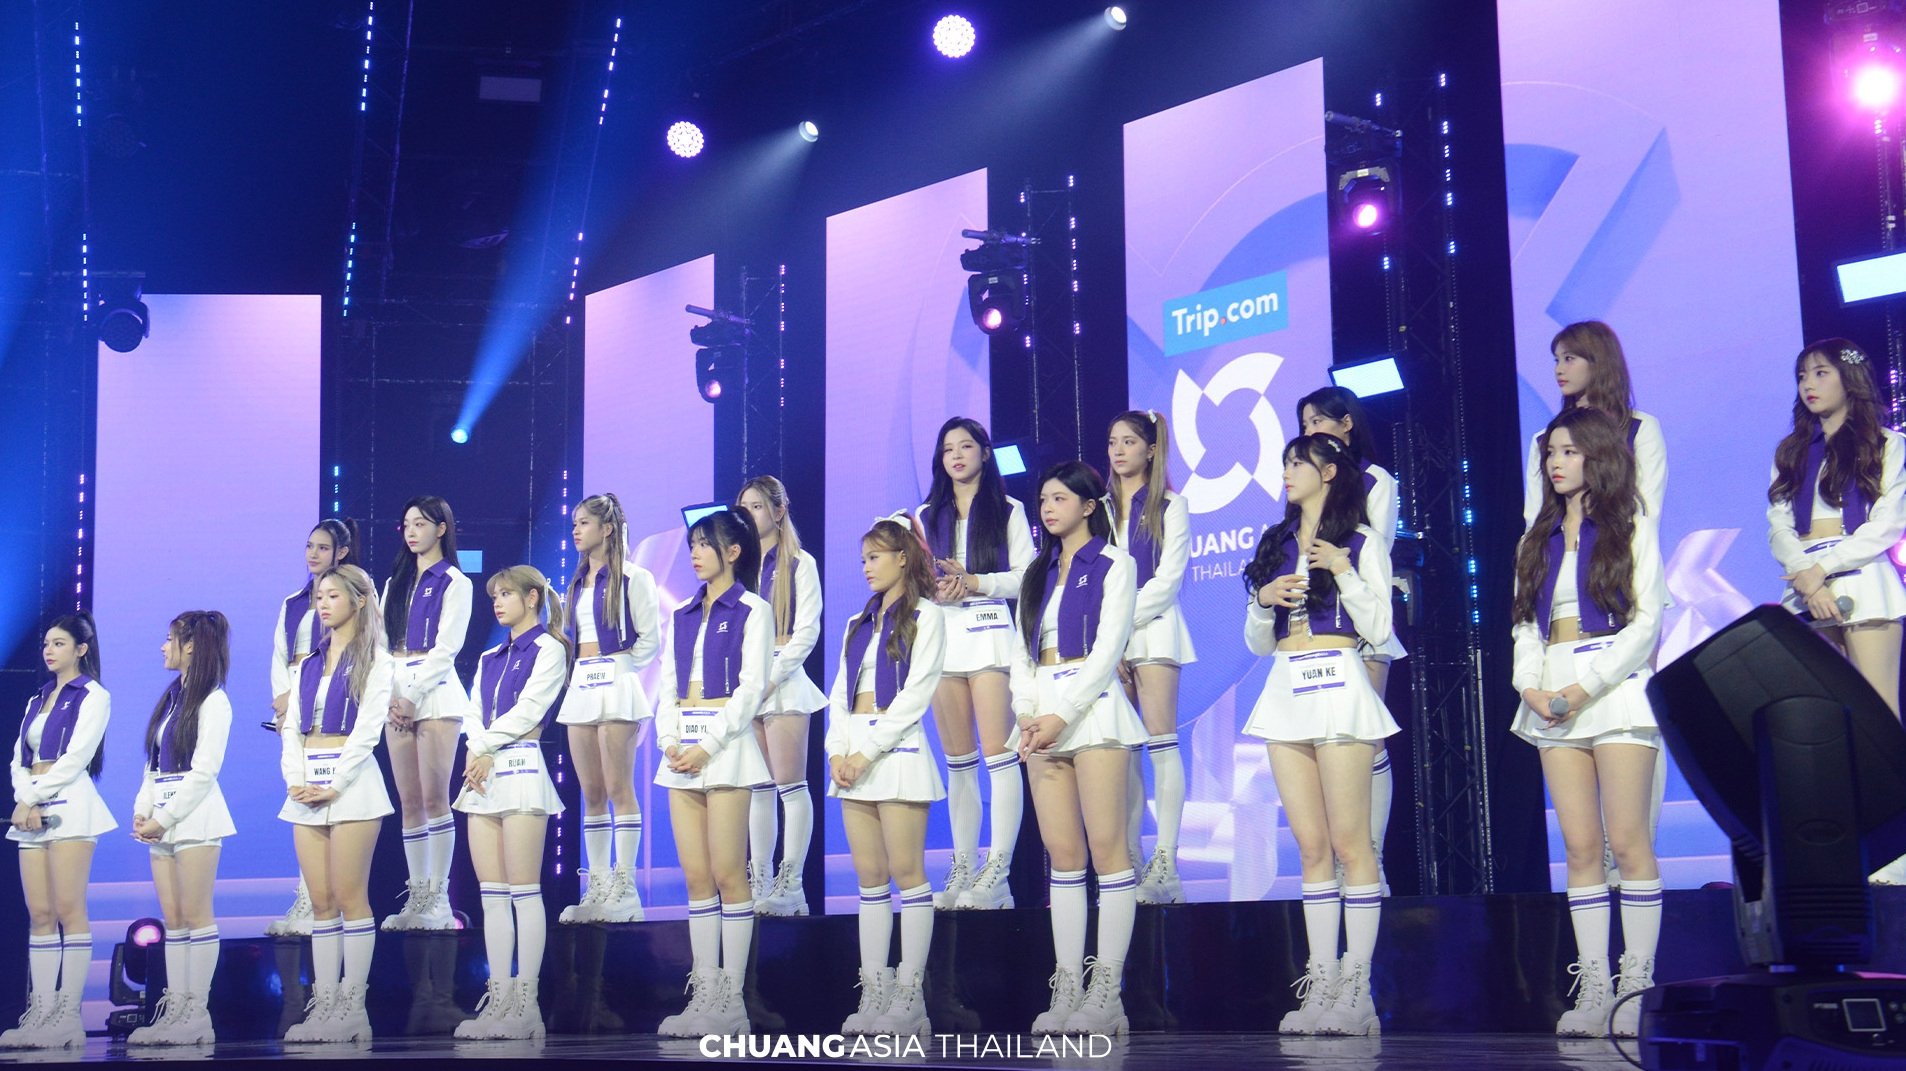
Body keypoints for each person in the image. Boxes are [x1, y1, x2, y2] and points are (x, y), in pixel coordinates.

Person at [1511, 408, 1667, 1038]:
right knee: (1579, 848)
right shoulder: (1536, 537)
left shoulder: (1631, 524)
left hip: (1615, 690)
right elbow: (1524, 624)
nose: (1556, 462)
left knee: (1627, 842)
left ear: (1597, 456)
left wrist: (1586, 687)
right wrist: (1530, 685)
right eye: (1552, 452)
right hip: (1551, 691)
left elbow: (1646, 622)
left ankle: (1636, 985)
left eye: (1570, 451)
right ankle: (1595, 984)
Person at [1241, 434, 1398, 1037]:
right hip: (1287, 686)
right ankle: (1322, 980)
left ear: (1329, 472)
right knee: (1310, 848)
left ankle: (1357, 989)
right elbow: (1259, 642)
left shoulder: (1361, 541)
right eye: (1284, 462)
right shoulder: (1275, 542)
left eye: (1297, 463)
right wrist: (1263, 601)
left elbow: (1380, 627)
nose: (1287, 472)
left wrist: (1343, 571)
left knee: (1351, 844)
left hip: (1339, 684)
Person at [1012, 461, 1147, 1036]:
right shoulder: (1035, 572)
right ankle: (1067, 986)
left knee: (1108, 851)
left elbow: (1109, 646)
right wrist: (1026, 713)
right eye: (1044, 498)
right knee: (1063, 856)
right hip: (1040, 715)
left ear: (1089, 506)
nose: (1048, 507)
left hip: (1092, 713)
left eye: (1060, 498)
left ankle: (1106, 993)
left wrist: (1061, 715)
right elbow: (1019, 651)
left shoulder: (1116, 563)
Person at [1765, 338, 1906, 885]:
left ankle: (1896, 851)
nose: (1809, 383)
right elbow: (1778, 526)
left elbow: (1887, 524)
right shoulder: (1792, 451)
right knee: (1828, 723)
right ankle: (1853, 848)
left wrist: (1823, 569)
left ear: (1850, 378)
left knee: (1878, 717)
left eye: (1820, 372)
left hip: (1864, 581)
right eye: (1803, 375)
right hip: (1807, 587)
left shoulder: (1888, 445)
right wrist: (1806, 573)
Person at [652, 510, 775, 1038]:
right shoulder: (681, 612)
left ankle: (731, 1001)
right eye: (692, 545)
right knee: (697, 878)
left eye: (705, 544)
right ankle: (703, 992)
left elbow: (751, 689)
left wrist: (707, 745)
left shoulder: (754, 610)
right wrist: (670, 741)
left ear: (733, 552)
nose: (695, 554)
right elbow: (667, 686)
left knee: (728, 873)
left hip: (724, 750)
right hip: (681, 751)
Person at [827, 519, 946, 1038]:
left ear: (903, 557)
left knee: (906, 871)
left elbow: (916, 694)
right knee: (870, 877)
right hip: (853, 754)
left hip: (896, 752)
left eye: (875, 556)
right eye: (862, 559)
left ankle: (909, 994)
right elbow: (839, 694)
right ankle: (874, 990)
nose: (867, 567)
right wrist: (837, 750)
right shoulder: (857, 622)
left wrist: (867, 751)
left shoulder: (927, 616)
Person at [916, 417, 1036, 910]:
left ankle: (998, 872)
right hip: (943, 641)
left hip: (989, 637)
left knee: (998, 756)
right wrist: (933, 587)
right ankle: (963, 865)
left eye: (966, 446)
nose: (957, 456)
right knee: (959, 762)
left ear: (985, 453)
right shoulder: (924, 516)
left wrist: (976, 582)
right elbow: (910, 580)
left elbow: (1027, 576)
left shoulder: (1008, 509)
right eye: (948, 449)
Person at [279, 565, 396, 1044]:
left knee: (350, 898)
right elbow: (291, 728)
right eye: (319, 596)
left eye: (332, 596)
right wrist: (295, 780)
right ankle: (324, 1004)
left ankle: (352, 1008)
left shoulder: (378, 661)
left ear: (359, 601)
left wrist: (335, 782)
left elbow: (368, 730)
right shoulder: (307, 663)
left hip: (352, 786)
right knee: (321, 902)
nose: (323, 604)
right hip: (307, 784)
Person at [454, 567, 570, 1041]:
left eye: (506, 594)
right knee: (492, 894)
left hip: (521, 770)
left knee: (524, 890)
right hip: (484, 776)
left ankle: (527, 1002)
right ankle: (499, 996)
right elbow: (472, 710)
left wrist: (483, 746)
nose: (498, 602)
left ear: (532, 597)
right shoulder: (489, 656)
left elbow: (530, 711)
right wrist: (475, 746)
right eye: (495, 596)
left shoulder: (550, 649)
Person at [1298, 386, 1403, 892]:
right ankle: (1340, 856)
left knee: (1366, 738)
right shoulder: (1302, 484)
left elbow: (1375, 547)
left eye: (1319, 421)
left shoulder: (1374, 479)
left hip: (1361, 622)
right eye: (1304, 424)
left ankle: (1369, 854)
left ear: (1347, 425)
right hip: (1314, 630)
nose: (1310, 430)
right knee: (1324, 741)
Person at [3, 614, 112, 1050]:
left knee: (69, 908)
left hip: (70, 806)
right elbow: (19, 758)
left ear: (81, 649)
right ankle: (41, 1011)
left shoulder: (94, 695)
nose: (49, 650)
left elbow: (76, 757)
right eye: (47, 643)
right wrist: (25, 796)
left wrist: (32, 797)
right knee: (40, 913)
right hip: (31, 808)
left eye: (60, 643)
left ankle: (68, 1015)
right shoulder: (38, 698)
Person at [128, 611, 236, 1046]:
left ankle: (196, 1012)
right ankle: (176, 1009)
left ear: (191, 645)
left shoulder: (214, 701)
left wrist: (164, 818)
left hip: (195, 818)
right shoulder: (173, 698)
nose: (162, 646)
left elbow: (204, 771)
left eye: (169, 639)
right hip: (163, 819)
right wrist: (143, 812)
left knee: (195, 914)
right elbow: (153, 766)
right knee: (173, 920)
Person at [557, 493, 662, 923]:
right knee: (592, 792)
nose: (576, 530)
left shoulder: (635, 578)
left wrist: (620, 668)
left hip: (616, 684)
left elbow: (650, 639)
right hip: (582, 685)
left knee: (620, 788)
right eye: (574, 523)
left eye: (584, 523)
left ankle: (626, 887)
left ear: (607, 528)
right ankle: (598, 884)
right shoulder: (575, 583)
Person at [1106, 410, 1197, 904]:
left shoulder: (1170, 504)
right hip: (1108, 643)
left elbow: (1168, 579)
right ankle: (1130, 857)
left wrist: (1120, 626)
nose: (1119, 451)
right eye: (1112, 442)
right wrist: (1109, 638)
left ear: (1151, 449)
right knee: (1121, 750)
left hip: (1154, 631)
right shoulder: (1098, 507)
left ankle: (1167, 862)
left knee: (1161, 742)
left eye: (1129, 441)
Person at [737, 476, 826, 916]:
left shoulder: (800, 563)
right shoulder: (737, 567)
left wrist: (769, 679)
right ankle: (760, 881)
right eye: (744, 507)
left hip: (783, 682)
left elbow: (807, 631)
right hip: (746, 684)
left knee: (790, 784)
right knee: (757, 788)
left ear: (778, 510)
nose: (749, 514)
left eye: (756, 506)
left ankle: (792, 884)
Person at [268, 519, 359, 937]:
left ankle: (319, 900)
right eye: (309, 546)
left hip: (330, 703)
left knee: (326, 805)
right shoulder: (293, 602)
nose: (313, 554)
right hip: (295, 701)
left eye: (322, 547)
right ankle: (307, 897)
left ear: (341, 552)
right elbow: (279, 655)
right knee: (301, 797)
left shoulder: (353, 597)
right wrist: (284, 698)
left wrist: (300, 696)